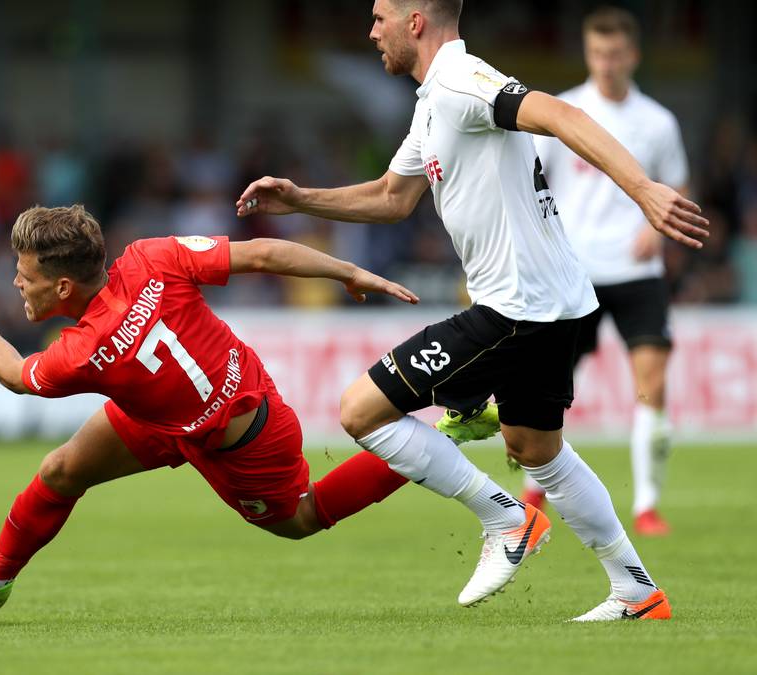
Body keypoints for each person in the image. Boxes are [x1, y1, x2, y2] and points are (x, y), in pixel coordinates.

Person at [235, 0, 708, 621]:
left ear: (415, 22)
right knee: (537, 448)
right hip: (548, 302)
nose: (370, 29)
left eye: (379, 16)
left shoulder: (463, 80)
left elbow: (559, 113)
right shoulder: (433, 101)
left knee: (361, 410)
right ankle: (637, 589)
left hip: (518, 307)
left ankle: (505, 518)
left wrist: (643, 188)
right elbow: (390, 196)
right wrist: (301, 201)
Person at [0, 204, 418, 614]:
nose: (16, 282)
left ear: (62, 287)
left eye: (23, 274)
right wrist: (348, 271)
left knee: (301, 519)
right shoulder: (151, 256)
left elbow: (15, 376)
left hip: (243, 434)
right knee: (60, 470)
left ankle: (438, 431)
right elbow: (260, 253)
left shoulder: (82, 354)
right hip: (163, 415)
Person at [521, 7, 689, 537]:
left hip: (637, 270)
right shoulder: (564, 111)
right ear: (588, 54)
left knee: (652, 384)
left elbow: (678, 187)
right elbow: (530, 181)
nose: (607, 63)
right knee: (552, 384)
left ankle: (647, 504)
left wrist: (655, 229)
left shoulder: (658, 122)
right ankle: (533, 490)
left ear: (633, 55)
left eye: (616, 54)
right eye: (598, 53)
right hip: (576, 270)